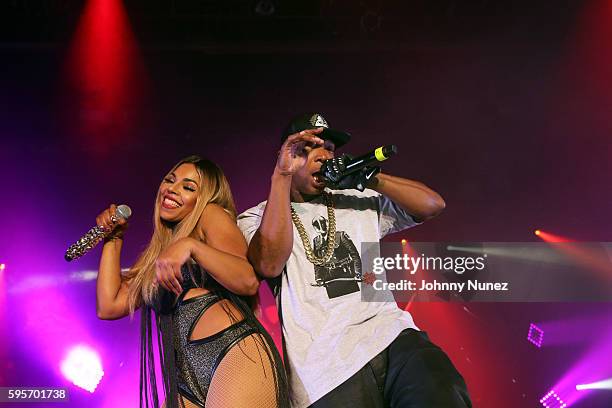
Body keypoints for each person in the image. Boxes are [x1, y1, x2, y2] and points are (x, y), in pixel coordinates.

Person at [237, 113, 472, 407]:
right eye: (307, 148)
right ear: (286, 156)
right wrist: (282, 176)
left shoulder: (355, 198)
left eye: (329, 148)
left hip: (390, 337)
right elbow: (268, 264)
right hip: (325, 373)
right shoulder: (257, 217)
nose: (322, 155)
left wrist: (371, 178)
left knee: (442, 389)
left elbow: (432, 205)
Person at [95, 155, 289, 408]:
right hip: (185, 375)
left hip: (232, 351)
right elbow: (109, 306)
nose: (172, 190)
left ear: (202, 199)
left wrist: (191, 246)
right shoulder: (160, 252)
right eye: (170, 181)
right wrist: (114, 239)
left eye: (188, 187)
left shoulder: (211, 214)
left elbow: (247, 280)